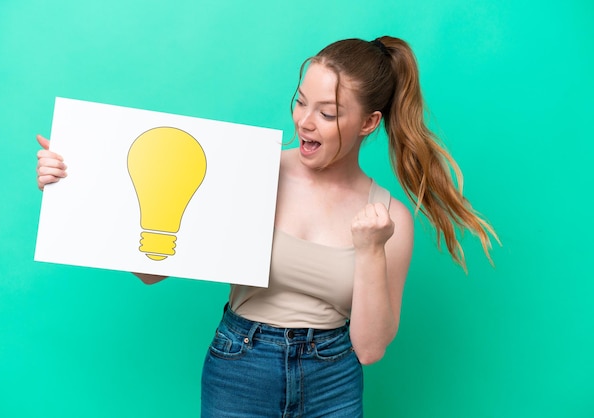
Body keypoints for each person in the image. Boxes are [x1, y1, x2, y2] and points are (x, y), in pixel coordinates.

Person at [36, 36, 497, 417]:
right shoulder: (251, 172)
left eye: (328, 113)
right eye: (300, 102)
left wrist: (372, 249)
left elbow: (371, 348)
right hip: (240, 367)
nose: (304, 122)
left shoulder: (390, 218)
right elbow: (152, 270)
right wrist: (76, 188)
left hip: (333, 377)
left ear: (369, 123)